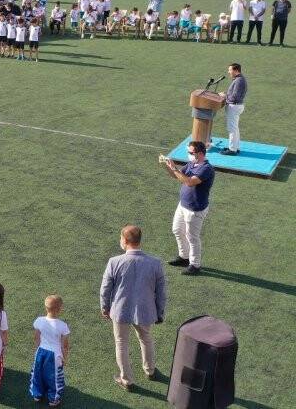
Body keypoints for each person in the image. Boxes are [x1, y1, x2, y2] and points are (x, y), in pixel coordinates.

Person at [100, 225, 166, 390]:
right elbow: (161, 293)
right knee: (146, 338)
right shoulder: (155, 263)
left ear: (125, 241)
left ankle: (127, 380)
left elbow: (105, 288)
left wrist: (105, 307)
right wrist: (160, 313)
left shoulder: (114, 262)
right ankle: (150, 370)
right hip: (145, 311)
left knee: (121, 342)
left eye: (120, 238)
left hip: (120, 310)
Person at [162, 140, 215, 275]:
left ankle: (195, 265)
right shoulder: (192, 163)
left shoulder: (206, 169)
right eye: (189, 152)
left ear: (200, 153)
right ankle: (184, 257)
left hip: (195, 209)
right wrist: (166, 166)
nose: (189, 154)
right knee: (177, 229)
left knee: (192, 237)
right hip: (183, 205)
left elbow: (190, 182)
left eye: (191, 152)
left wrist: (174, 168)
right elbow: (176, 176)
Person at [29, 294, 71, 406]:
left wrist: (36, 351)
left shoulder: (39, 321)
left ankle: (37, 394)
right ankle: (53, 399)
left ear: (46, 307)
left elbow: (36, 338)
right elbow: (65, 346)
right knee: (54, 377)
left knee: (38, 373)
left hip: (41, 351)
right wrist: (64, 358)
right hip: (55, 355)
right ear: (59, 309)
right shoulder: (63, 326)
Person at [220, 63, 246, 156]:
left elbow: (235, 96)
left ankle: (232, 149)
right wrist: (227, 93)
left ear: (236, 70)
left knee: (232, 128)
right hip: (236, 106)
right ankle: (236, 147)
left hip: (234, 106)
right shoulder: (239, 79)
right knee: (235, 128)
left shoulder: (239, 81)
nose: (228, 72)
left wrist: (225, 95)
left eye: (230, 70)